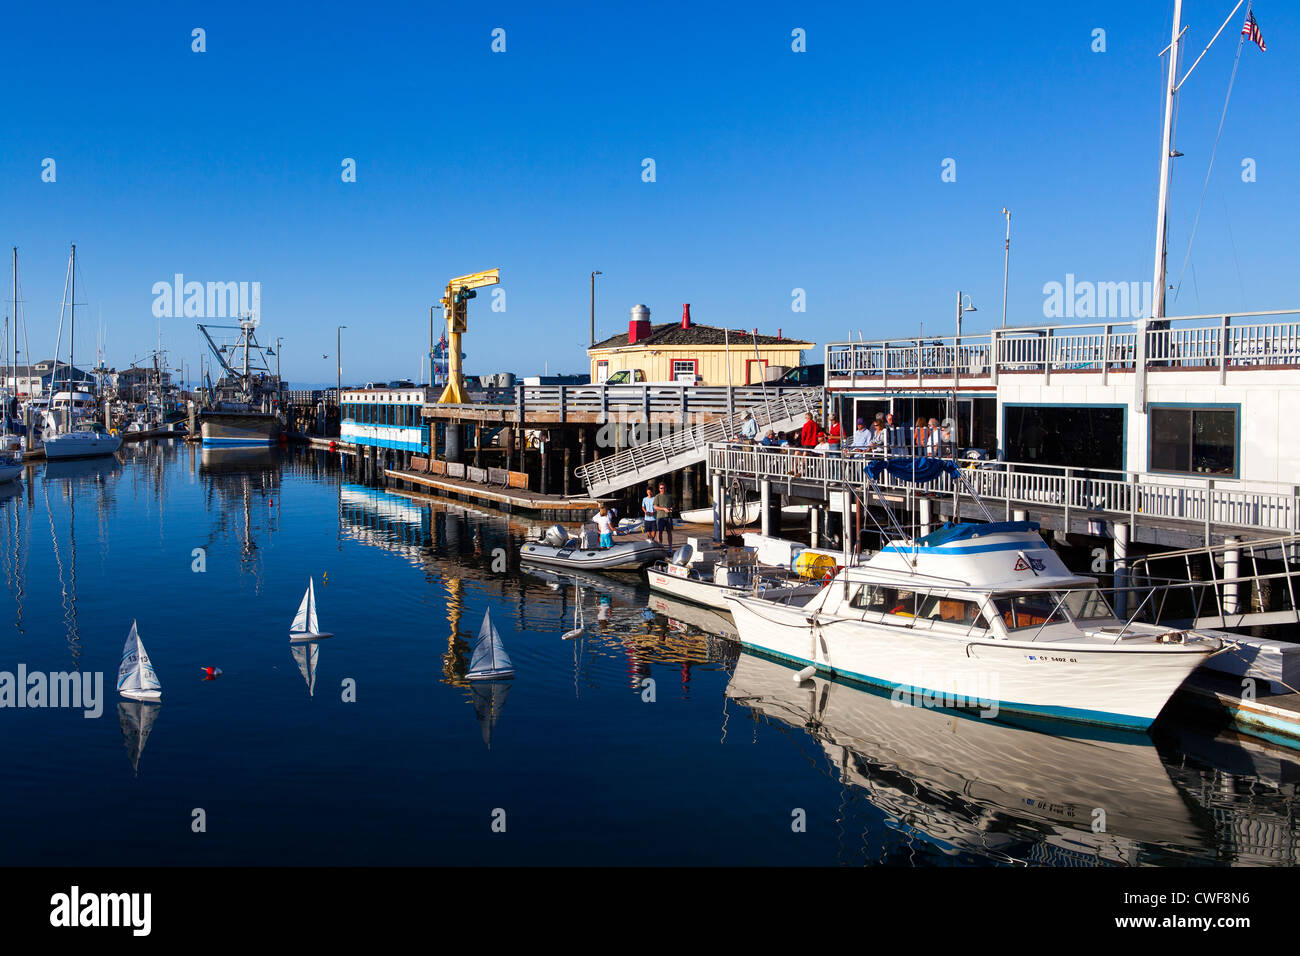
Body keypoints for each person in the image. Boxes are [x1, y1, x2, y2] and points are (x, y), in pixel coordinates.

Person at [653, 480, 676, 548]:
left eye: (664, 488)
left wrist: (671, 508)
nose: (663, 489)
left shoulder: (669, 496)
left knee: (669, 532)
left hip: (669, 517)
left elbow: (673, 505)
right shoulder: (657, 496)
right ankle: (660, 546)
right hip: (660, 517)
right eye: (661, 488)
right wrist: (663, 509)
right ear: (659, 489)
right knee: (660, 532)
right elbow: (655, 507)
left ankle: (670, 547)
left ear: (666, 488)